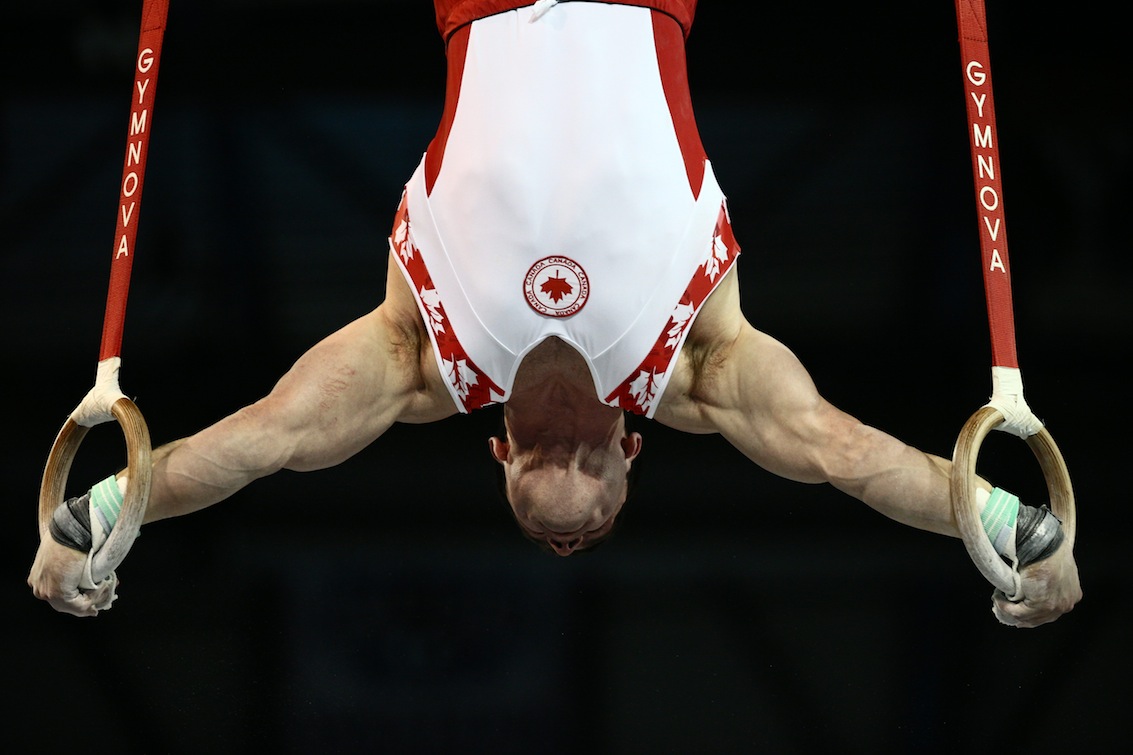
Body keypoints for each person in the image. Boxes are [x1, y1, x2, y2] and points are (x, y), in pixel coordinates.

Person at [29, 0, 1081, 627]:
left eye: (544, 476)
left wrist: (95, 521)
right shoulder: (700, 358)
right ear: (636, 442)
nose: (569, 461)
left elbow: (258, 441)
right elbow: (843, 453)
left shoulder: (417, 356)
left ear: (495, 454)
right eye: (596, 473)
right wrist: (1015, 530)